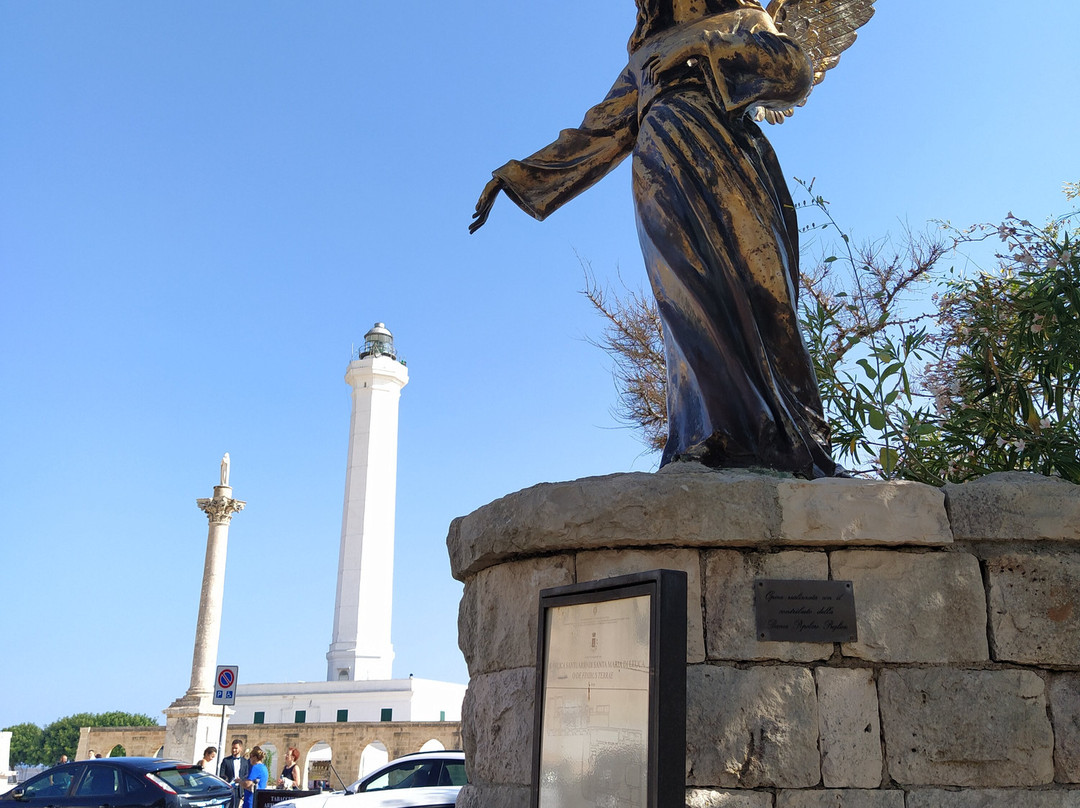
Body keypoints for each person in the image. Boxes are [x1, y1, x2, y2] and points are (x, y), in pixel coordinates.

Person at [472, 0, 839, 478]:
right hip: (659, 165)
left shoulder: (740, 19)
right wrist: (519, 176)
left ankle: (793, 442)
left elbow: (795, 73)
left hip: (728, 154)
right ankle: (710, 437)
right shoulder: (645, 55)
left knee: (765, 293)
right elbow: (598, 133)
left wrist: (701, 43)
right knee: (686, 298)